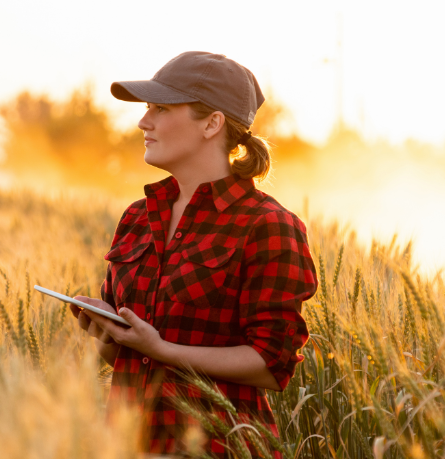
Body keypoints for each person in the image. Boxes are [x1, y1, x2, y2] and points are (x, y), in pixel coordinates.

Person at [69, 51, 318, 458]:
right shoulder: (137, 217)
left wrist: (163, 350)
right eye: (147, 108)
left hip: (222, 447)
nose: (142, 121)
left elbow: (272, 365)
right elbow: (131, 357)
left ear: (212, 123)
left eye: (161, 108)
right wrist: (105, 332)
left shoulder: (266, 225)